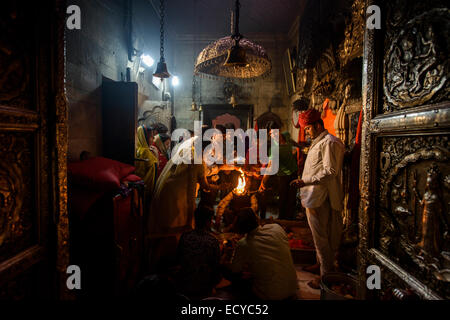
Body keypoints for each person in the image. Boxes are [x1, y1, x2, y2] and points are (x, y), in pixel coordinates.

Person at [290, 109, 345, 288]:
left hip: (320, 197)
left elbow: (330, 171)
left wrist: (304, 181)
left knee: (322, 238)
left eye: (308, 129)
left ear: (318, 125)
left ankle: (325, 278)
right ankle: (320, 265)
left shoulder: (329, 143)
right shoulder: (319, 142)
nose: (306, 132)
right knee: (319, 237)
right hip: (315, 196)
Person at [227, 208, 298, 300]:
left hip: (270, 295)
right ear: (257, 218)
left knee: (237, 279)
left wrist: (229, 256)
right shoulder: (276, 228)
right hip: (292, 288)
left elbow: (235, 270)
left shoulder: (243, 244)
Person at [175, 206, 221, 299]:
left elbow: (179, 258)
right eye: (211, 219)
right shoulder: (212, 241)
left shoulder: (185, 236)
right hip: (202, 287)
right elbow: (216, 266)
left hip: (183, 282)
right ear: (208, 221)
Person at [259, 131, 299, 220]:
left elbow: (270, 167)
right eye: (271, 133)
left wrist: (263, 181)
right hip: (285, 175)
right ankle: (284, 220)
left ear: (280, 132)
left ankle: (287, 221)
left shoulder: (283, 140)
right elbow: (270, 166)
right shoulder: (274, 148)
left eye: (276, 132)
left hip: (291, 174)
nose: (273, 134)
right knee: (284, 199)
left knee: (289, 199)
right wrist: (263, 181)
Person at [135, 125, 159, 206]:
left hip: (140, 188)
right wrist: (156, 156)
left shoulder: (138, 150)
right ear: (144, 137)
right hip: (146, 189)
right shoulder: (146, 152)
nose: (153, 139)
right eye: (151, 137)